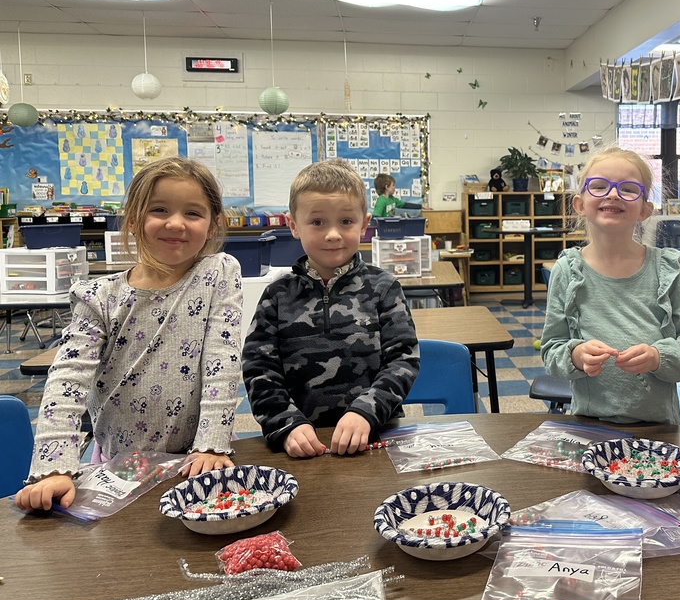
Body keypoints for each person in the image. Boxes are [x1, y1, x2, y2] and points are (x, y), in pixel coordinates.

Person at [15, 157, 243, 512]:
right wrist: (53, 467)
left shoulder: (219, 273)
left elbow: (223, 360)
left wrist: (211, 444)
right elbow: (67, 380)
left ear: (214, 225)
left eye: (193, 214)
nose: (176, 223)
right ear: (134, 221)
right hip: (117, 466)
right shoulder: (98, 297)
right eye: (160, 209)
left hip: (199, 459)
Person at [243, 159, 419, 458]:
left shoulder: (384, 288)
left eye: (346, 222)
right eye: (318, 222)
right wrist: (285, 424)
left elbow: (402, 360)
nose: (333, 234)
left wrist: (366, 412)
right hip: (301, 445)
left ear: (364, 225)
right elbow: (259, 369)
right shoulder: (277, 295)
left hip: (375, 439)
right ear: (294, 226)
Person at [540, 146, 680, 425]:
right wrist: (576, 354)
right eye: (599, 186)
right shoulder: (568, 270)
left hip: (659, 427)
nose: (612, 194)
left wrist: (658, 356)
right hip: (590, 423)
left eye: (628, 189)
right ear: (580, 204)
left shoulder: (665, 269)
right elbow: (551, 350)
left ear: (644, 210)